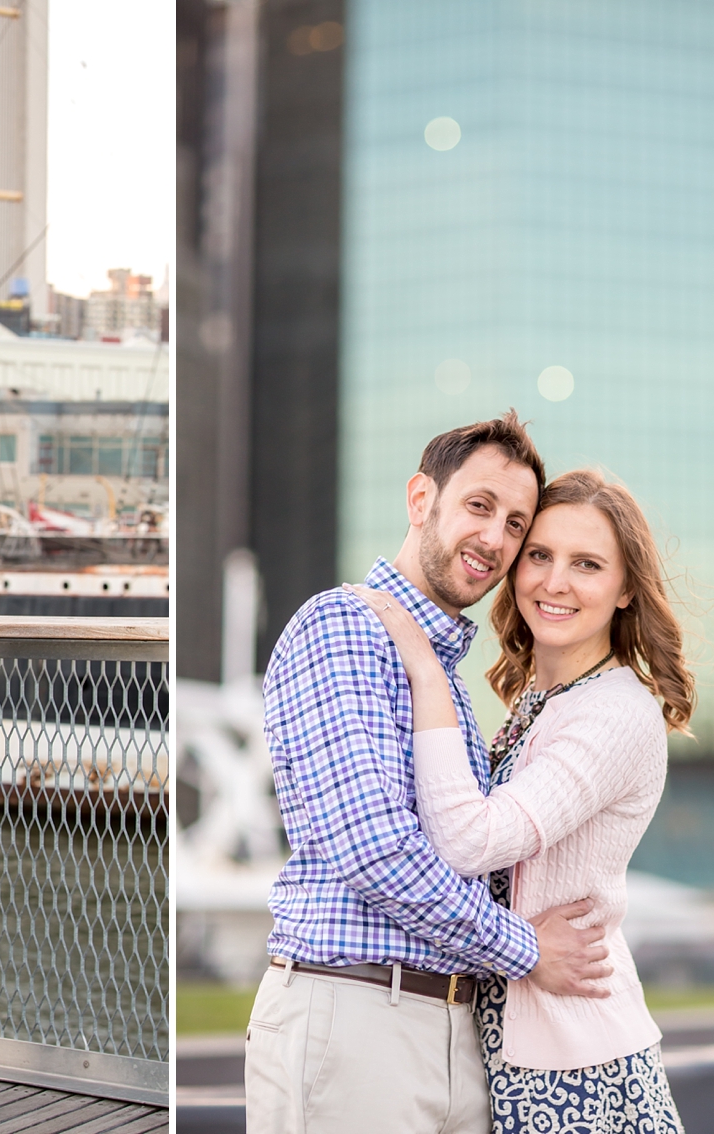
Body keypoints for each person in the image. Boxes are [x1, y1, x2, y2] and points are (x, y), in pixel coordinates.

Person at [246, 412, 614, 1134]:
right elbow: (374, 849)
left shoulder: (440, 671)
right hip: (353, 1017)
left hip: (448, 1028)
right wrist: (528, 949)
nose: (496, 540)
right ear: (422, 501)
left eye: (516, 523)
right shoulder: (345, 627)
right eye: (479, 507)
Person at [347, 468, 693, 1134]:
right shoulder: (541, 701)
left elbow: (470, 842)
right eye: (539, 555)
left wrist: (424, 668)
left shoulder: (616, 712)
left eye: (587, 564)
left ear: (624, 590)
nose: (554, 581)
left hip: (580, 1070)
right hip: (515, 1060)